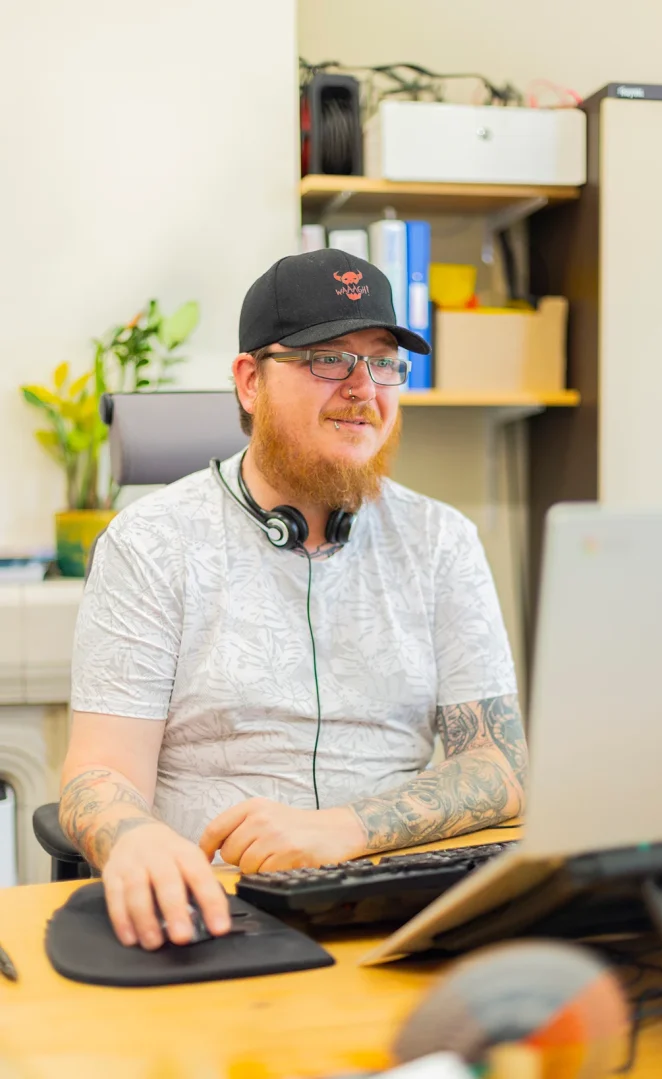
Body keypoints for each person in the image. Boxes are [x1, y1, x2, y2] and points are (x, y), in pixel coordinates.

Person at [61, 249, 527, 951]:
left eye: (383, 361)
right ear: (250, 381)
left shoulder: (442, 541)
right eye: (328, 358)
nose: (364, 388)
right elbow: (99, 774)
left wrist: (348, 826)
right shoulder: (149, 543)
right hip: (214, 908)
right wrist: (133, 841)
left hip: (399, 901)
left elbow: (500, 765)